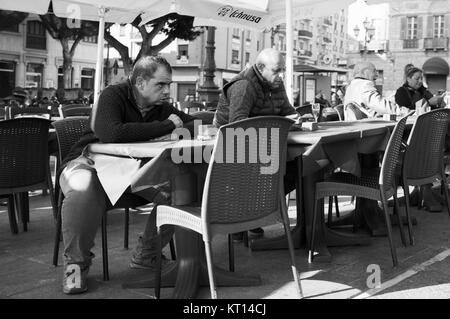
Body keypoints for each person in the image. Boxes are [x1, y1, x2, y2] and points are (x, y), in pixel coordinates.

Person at [59, 55, 196, 294]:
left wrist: (174, 126)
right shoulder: (112, 95)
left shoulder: (161, 106)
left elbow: (192, 125)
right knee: (83, 189)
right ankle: (76, 266)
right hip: (87, 161)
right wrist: (166, 127)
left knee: (183, 190)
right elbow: (112, 133)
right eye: (161, 84)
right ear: (140, 82)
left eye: (168, 85)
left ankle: (147, 255)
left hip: (132, 171)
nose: (167, 90)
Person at [213, 48, 299, 241]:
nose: (281, 75)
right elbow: (237, 125)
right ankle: (245, 216)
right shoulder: (243, 86)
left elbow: (287, 111)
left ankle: (250, 213)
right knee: (290, 168)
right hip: (232, 149)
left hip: (266, 145)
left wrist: (298, 118)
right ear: (260, 67)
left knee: (301, 166)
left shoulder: (275, 83)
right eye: (277, 70)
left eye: (282, 70)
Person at [395, 65, 444, 212]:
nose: (419, 81)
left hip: (425, 128)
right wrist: (429, 103)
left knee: (428, 144)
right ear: (408, 79)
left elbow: (431, 103)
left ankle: (423, 192)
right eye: (416, 78)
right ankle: (425, 193)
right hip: (407, 133)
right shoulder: (401, 92)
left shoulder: (423, 90)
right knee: (424, 147)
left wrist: (437, 100)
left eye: (420, 78)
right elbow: (403, 110)